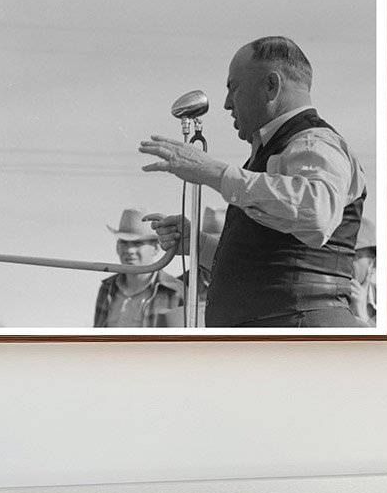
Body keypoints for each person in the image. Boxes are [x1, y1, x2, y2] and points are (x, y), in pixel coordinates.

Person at [139, 36, 367, 328]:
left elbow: (316, 211)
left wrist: (213, 172)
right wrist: (197, 244)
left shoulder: (313, 141)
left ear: (271, 86)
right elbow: (272, 260)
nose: (225, 103)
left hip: (298, 341)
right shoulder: (281, 148)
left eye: (233, 88)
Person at [93, 209, 184, 328]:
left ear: (156, 248)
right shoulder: (107, 287)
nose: (129, 250)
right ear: (117, 247)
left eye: (137, 243)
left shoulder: (176, 292)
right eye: (124, 243)